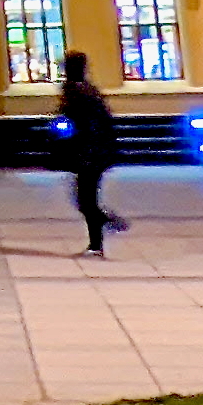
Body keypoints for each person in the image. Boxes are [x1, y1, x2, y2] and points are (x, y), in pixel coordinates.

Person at [60, 50, 126, 256]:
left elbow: (78, 121)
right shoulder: (88, 89)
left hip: (91, 152)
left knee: (86, 200)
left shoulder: (77, 91)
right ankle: (96, 241)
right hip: (97, 150)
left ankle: (99, 235)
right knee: (86, 200)